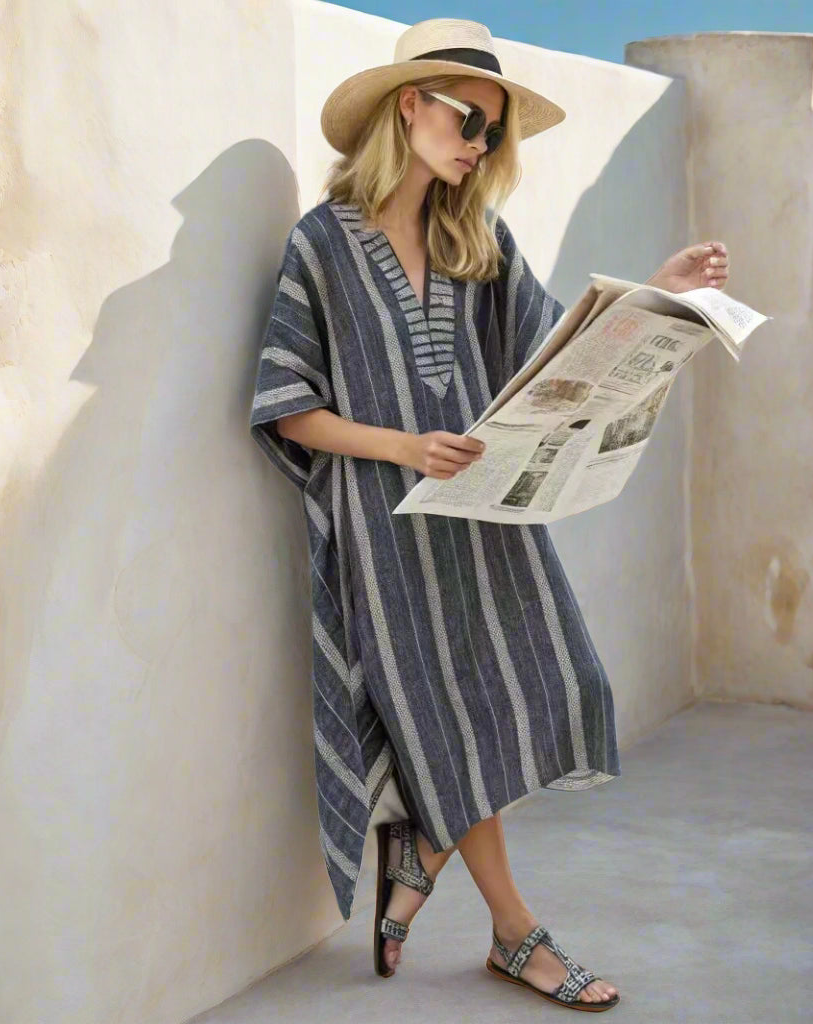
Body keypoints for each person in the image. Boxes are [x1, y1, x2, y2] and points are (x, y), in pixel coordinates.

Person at [248, 17, 729, 1013]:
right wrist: (403, 446)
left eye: (494, 131)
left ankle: (421, 849)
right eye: (469, 119)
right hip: (385, 523)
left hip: (481, 511)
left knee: (555, 677)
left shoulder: (479, 241)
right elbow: (289, 408)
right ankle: (517, 935)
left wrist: (660, 294)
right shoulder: (321, 244)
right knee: (447, 716)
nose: (481, 143)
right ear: (408, 107)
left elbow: (557, 350)